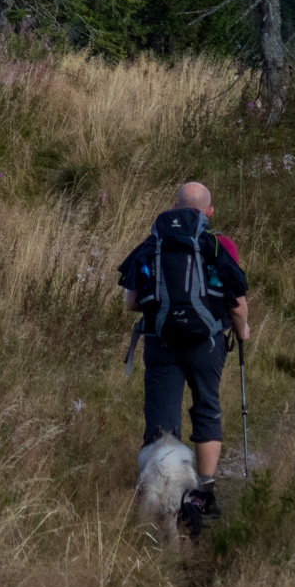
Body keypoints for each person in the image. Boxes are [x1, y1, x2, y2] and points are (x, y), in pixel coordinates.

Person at [118, 180, 250, 527]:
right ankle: (203, 493)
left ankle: (163, 498)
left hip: (161, 343)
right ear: (209, 211)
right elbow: (236, 303)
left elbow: (132, 302)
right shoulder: (220, 244)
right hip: (207, 343)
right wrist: (243, 332)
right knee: (206, 407)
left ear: (174, 208)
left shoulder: (152, 243)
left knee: (162, 424)